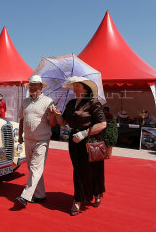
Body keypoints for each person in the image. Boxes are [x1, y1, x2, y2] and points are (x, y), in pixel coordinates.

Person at [54, 76, 107, 216]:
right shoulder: (71, 103)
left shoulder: (93, 103)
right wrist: (56, 112)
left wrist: (84, 133)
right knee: (79, 170)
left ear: (85, 88)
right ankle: (80, 197)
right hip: (74, 141)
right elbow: (63, 122)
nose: (75, 88)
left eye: (78, 85)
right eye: (74, 85)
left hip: (90, 141)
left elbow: (102, 124)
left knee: (94, 170)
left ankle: (87, 196)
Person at [15, 75, 56, 208]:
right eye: (30, 85)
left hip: (42, 141)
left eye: (35, 85)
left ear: (40, 87)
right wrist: (20, 136)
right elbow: (22, 119)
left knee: (35, 168)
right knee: (33, 169)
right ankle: (40, 195)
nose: (32, 88)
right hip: (28, 139)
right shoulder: (25, 102)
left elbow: (52, 123)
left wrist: (53, 114)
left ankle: (25, 196)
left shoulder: (48, 102)